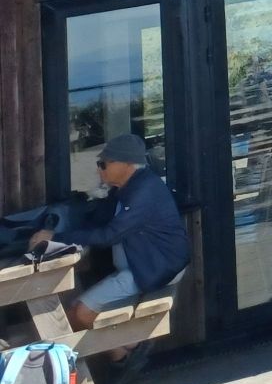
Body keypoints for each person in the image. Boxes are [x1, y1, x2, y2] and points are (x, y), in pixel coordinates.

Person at [29, 133, 191, 350]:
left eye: (103, 164)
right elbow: (97, 221)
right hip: (145, 265)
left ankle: (128, 350)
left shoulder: (143, 192)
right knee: (70, 311)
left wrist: (54, 238)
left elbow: (109, 235)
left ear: (126, 164)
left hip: (156, 269)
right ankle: (121, 354)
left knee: (79, 313)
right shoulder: (126, 187)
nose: (99, 169)